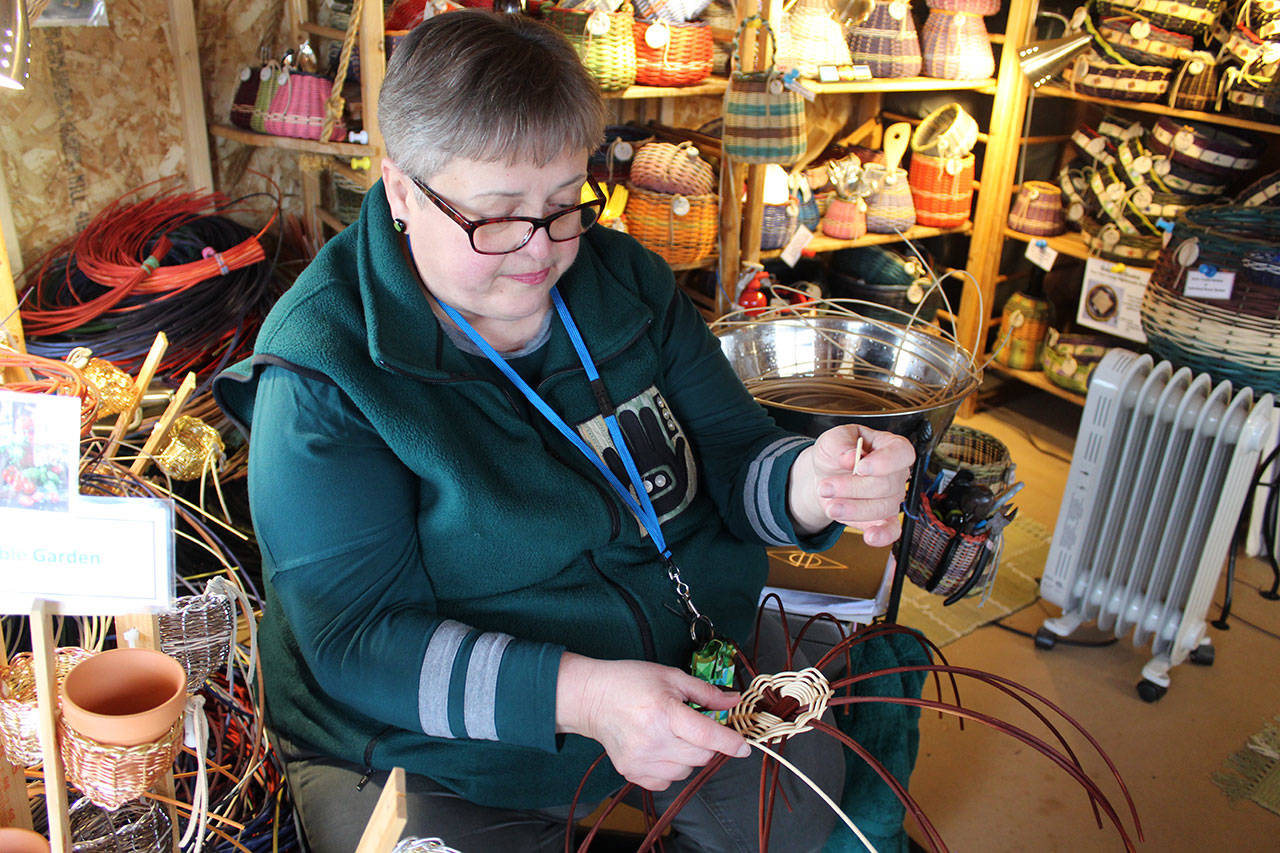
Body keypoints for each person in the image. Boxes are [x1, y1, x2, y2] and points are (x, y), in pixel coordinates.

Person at [214, 10, 914, 852]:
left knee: (797, 824)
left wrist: (812, 480)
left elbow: (734, 453)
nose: (538, 250)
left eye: (562, 204)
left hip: (679, 651)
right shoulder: (325, 371)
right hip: (433, 738)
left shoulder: (627, 281)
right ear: (401, 191)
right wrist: (584, 698)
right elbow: (359, 640)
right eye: (497, 215)